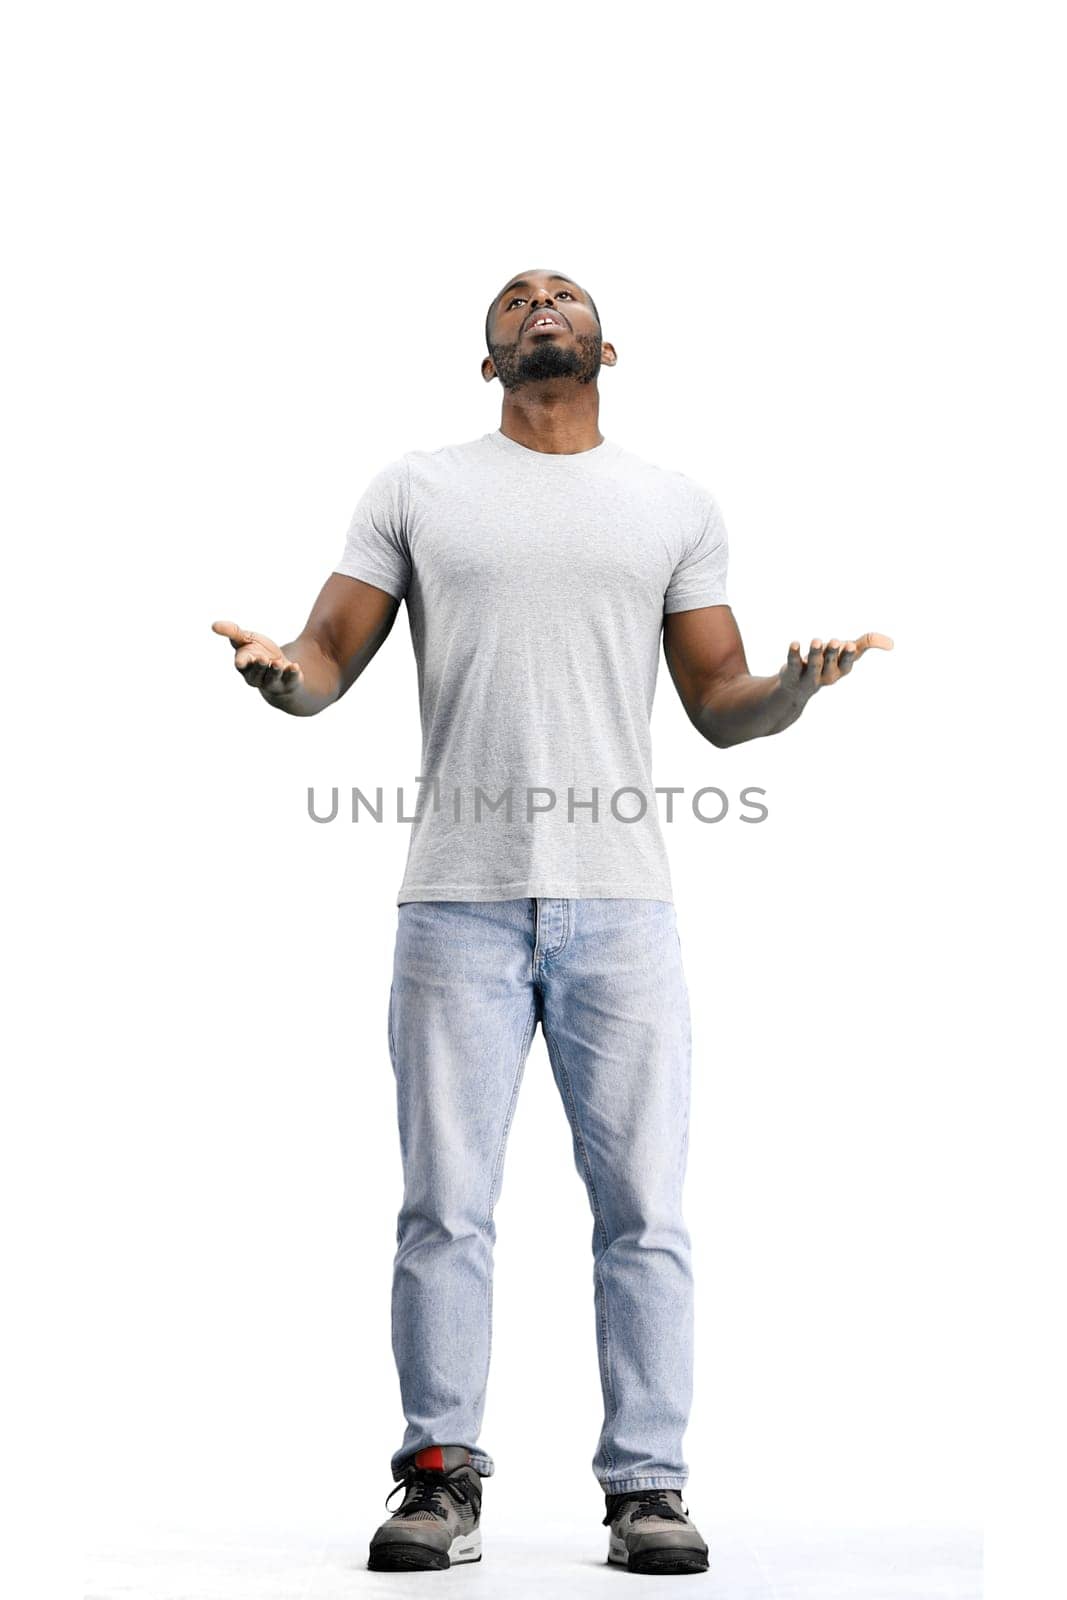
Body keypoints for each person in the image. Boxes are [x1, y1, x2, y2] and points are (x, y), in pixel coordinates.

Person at [212, 267, 892, 1576]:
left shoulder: (670, 505)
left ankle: (647, 1486)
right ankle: (437, 1477)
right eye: (516, 300)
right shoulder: (416, 489)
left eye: (563, 297)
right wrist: (277, 681)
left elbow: (717, 697)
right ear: (488, 360)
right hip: (454, 902)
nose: (540, 305)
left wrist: (792, 697)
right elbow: (325, 663)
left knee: (644, 1207)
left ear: (606, 347)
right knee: (445, 1205)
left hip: (622, 907)